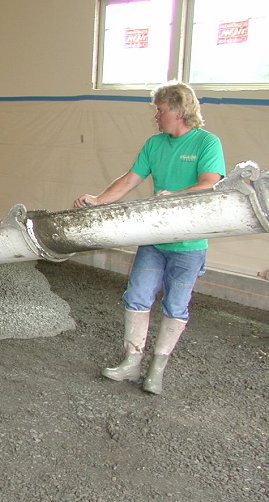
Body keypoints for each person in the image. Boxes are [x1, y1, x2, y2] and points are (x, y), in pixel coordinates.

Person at [73, 81, 225, 395]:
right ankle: (131, 362)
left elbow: (210, 183)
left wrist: (174, 196)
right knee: (137, 296)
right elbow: (131, 179)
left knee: (175, 305)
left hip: (190, 243)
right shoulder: (155, 144)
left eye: (160, 110)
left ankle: (156, 370)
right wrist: (98, 200)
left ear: (179, 110)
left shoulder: (207, 143)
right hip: (155, 239)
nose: (156, 116)